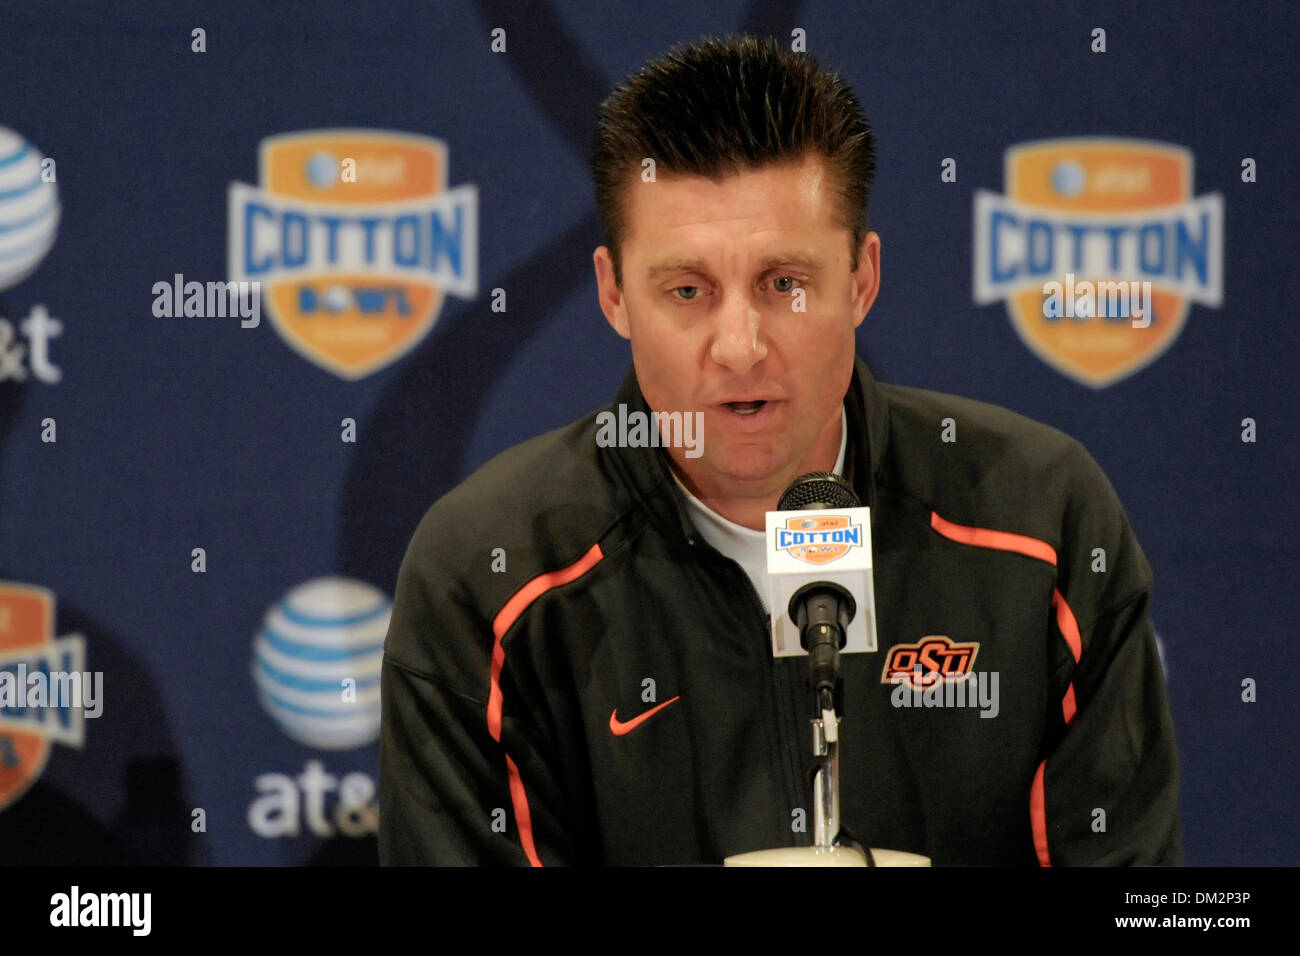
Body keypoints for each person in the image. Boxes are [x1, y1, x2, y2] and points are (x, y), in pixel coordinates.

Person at [378, 34, 1182, 866]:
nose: (739, 346)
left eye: (784, 284)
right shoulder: (490, 572)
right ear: (614, 294)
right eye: (687, 291)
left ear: (862, 280)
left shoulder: (1041, 522)